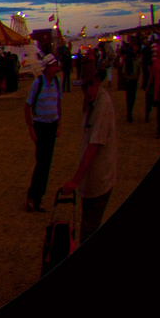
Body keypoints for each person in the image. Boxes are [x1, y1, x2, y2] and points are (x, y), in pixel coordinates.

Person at [57, 71, 117, 244]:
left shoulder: (103, 104)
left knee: (88, 231)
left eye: (91, 85)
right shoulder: (91, 102)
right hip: (90, 181)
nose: (88, 90)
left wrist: (75, 180)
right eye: (84, 86)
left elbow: (94, 146)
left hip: (100, 179)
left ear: (98, 81)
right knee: (87, 227)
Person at [24, 55, 63, 213]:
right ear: (46, 67)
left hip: (52, 125)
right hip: (40, 126)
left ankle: (39, 197)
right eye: (53, 66)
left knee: (47, 163)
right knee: (41, 162)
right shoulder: (37, 84)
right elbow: (28, 106)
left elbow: (59, 103)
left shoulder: (57, 83)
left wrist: (59, 124)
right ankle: (33, 196)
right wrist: (31, 128)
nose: (56, 69)